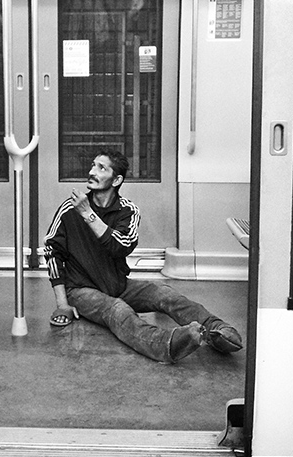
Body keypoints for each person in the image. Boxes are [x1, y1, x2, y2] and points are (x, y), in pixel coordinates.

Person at [44, 150, 243, 363]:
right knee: (117, 310)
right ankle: (165, 345)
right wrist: (62, 304)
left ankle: (216, 330)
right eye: (93, 165)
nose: (92, 171)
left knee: (165, 294)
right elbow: (51, 252)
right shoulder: (69, 209)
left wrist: (89, 215)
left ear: (117, 179)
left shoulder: (128, 211)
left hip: (117, 285)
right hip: (81, 290)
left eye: (101, 168)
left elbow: (121, 247)